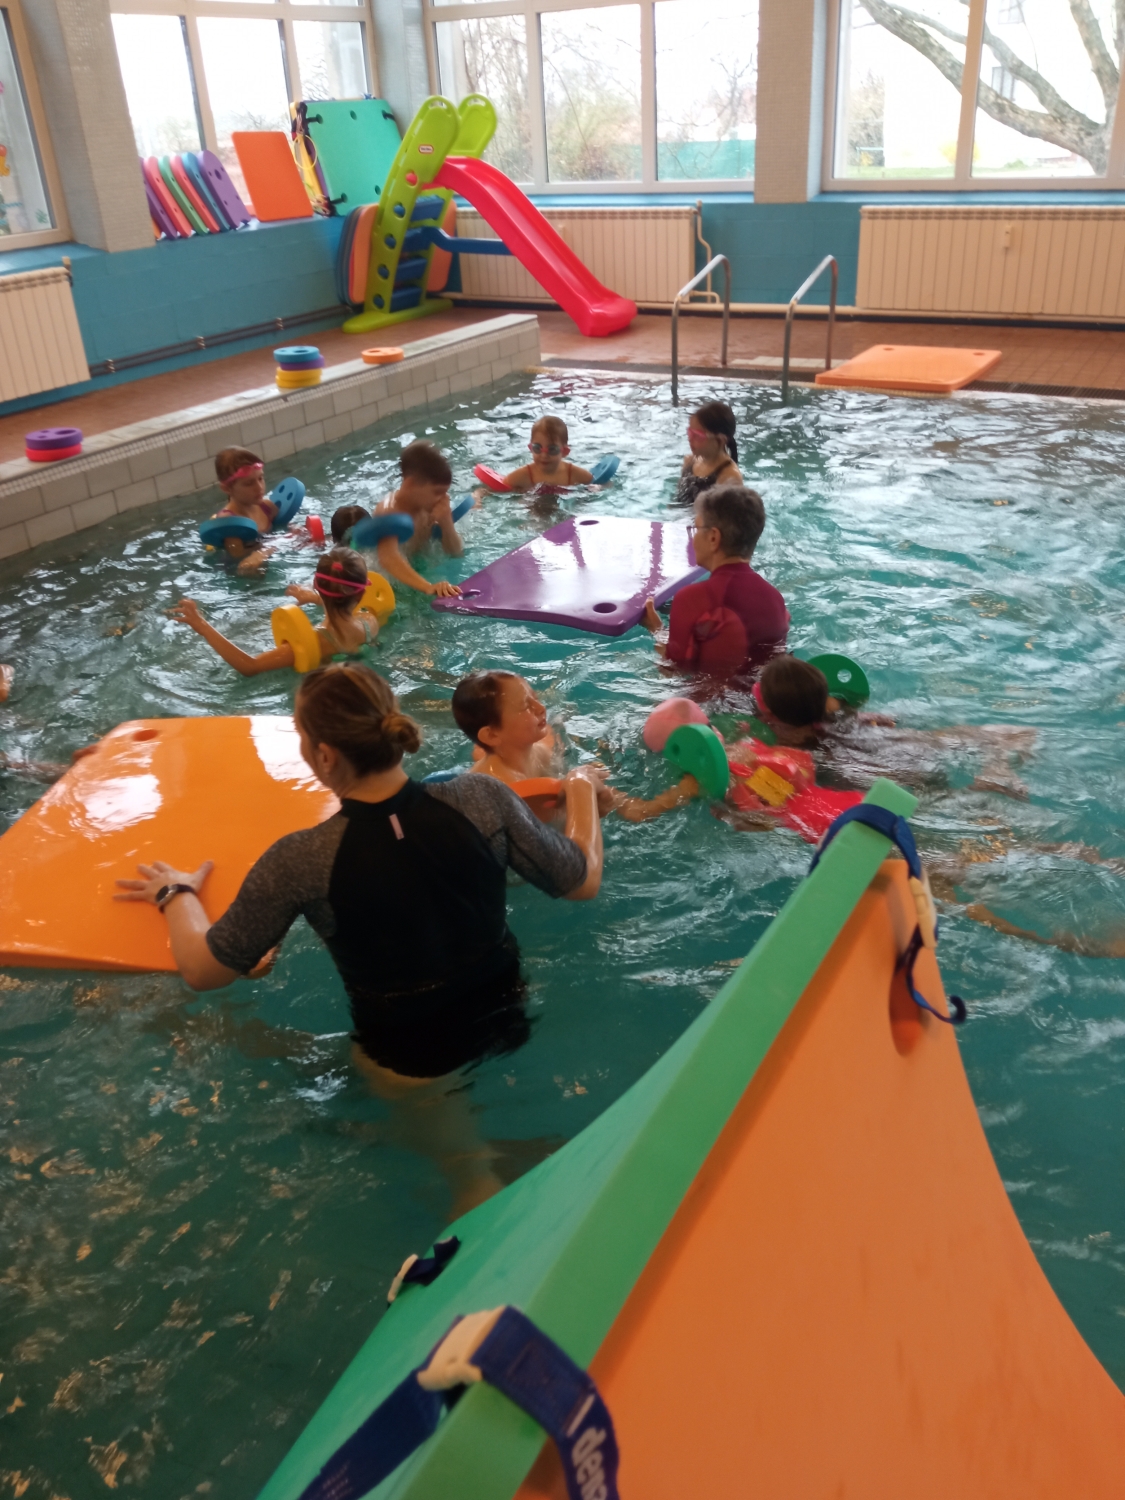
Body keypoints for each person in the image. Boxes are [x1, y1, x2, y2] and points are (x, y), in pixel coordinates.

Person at [114, 664, 604, 1216]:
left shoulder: (299, 860)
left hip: (411, 1058)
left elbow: (204, 972)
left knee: (466, 1177)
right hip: (507, 1011)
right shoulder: (482, 797)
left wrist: (175, 894)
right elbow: (582, 881)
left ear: (324, 756)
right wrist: (581, 791)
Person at [452, 669, 674, 823]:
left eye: (535, 697)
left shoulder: (532, 750)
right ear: (491, 734)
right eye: (526, 706)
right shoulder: (512, 796)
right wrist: (683, 791)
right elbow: (572, 835)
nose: (540, 708)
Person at [640, 485, 788, 678]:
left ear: (713, 538)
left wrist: (656, 629)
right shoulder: (775, 598)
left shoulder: (692, 598)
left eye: (696, 528)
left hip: (708, 696)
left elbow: (673, 670)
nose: (692, 538)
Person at [169, 548, 379, 676]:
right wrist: (317, 599)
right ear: (361, 594)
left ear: (316, 585)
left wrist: (203, 626)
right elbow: (340, 604)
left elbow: (250, 667)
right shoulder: (370, 622)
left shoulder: (310, 644)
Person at [366, 441, 463, 599]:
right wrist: (428, 587)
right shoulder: (389, 511)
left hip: (418, 566)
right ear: (411, 484)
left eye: (445, 493)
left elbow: (456, 554)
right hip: (389, 583)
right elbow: (388, 558)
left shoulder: (427, 507)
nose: (443, 499)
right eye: (437, 492)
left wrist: (446, 522)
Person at [210, 447, 277, 574]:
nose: (259, 487)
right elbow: (239, 560)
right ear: (226, 488)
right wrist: (268, 549)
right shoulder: (229, 522)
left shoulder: (267, 507)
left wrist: (296, 531)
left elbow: (283, 527)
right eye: (249, 483)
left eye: (260, 478)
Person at [674, 401, 741, 508]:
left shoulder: (730, 476)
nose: (690, 439)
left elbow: (726, 517)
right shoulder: (689, 461)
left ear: (721, 440)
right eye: (690, 432)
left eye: (697, 435)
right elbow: (677, 500)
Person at [502, 417, 594, 492]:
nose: (544, 455)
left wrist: (595, 488)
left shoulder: (574, 474)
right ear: (531, 448)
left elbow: (597, 484)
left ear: (565, 452)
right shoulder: (524, 475)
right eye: (537, 448)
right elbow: (500, 487)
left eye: (552, 449)